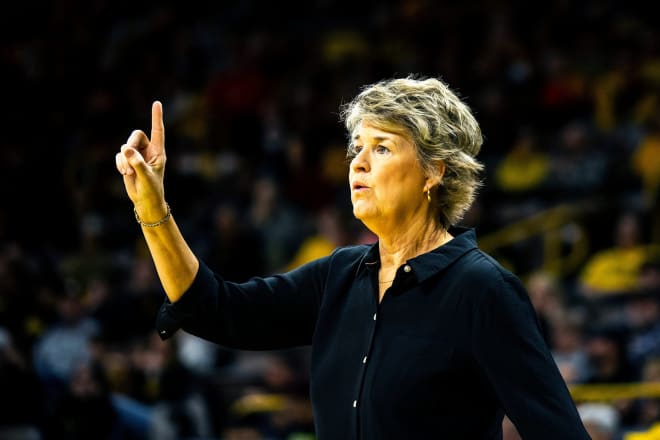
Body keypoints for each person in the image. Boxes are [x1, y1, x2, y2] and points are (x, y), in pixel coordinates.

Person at [115, 76, 590, 439]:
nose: (358, 163)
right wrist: (152, 208)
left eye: (381, 148)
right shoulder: (338, 276)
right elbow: (214, 309)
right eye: (356, 148)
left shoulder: (483, 290)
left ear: (433, 172)